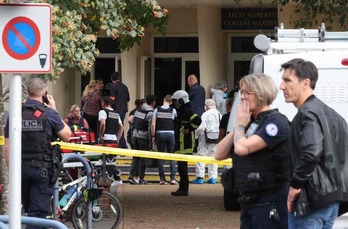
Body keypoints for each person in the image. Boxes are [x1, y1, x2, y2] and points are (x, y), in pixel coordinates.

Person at [214, 73, 290, 228]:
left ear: (261, 93)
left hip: (269, 201)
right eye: (241, 92)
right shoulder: (248, 123)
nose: (242, 97)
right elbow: (219, 154)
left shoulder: (276, 123)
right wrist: (238, 127)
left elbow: (242, 149)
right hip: (248, 200)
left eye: (247, 93)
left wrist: (241, 126)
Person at [279, 58, 348, 228]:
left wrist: (295, 185)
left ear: (306, 83)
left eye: (287, 80)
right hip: (331, 201)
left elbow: (311, 152)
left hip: (310, 202)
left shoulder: (307, 113)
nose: (281, 86)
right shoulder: (333, 115)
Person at [4, 77, 71, 227]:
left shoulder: (15, 113)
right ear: (45, 93)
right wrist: (54, 109)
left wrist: (14, 172)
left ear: (28, 92)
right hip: (42, 171)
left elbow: (7, 147)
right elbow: (67, 136)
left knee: (28, 212)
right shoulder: (49, 113)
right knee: (37, 216)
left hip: (20, 170)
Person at [171, 90, 201, 196]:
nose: (175, 104)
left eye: (176, 101)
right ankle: (183, 188)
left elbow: (198, 121)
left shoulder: (187, 111)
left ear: (181, 100)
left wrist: (189, 128)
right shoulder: (182, 111)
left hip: (185, 143)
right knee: (181, 167)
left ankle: (184, 189)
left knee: (182, 167)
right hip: (181, 142)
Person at [192, 99, 221, 184]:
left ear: (207, 105)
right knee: (214, 157)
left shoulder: (206, 114)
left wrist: (196, 136)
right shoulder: (219, 114)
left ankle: (200, 177)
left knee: (201, 156)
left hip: (205, 138)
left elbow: (201, 127)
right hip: (216, 138)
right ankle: (213, 177)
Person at [129, 94, 156, 185]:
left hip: (135, 135)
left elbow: (132, 122)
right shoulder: (150, 113)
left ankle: (132, 176)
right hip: (143, 137)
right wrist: (151, 138)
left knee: (136, 157)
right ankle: (140, 178)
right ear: (153, 102)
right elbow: (150, 127)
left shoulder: (138, 110)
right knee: (143, 158)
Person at [151, 95, 178, 185]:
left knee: (161, 156)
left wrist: (153, 135)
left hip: (160, 133)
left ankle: (162, 179)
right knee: (171, 156)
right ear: (171, 102)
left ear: (163, 100)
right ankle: (172, 178)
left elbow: (153, 124)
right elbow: (175, 122)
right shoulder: (173, 110)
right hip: (170, 133)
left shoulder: (156, 110)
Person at [98, 95, 124, 186]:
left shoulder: (102, 112)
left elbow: (103, 124)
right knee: (111, 160)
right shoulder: (116, 113)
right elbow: (121, 127)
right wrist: (118, 139)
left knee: (106, 161)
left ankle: (117, 177)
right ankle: (115, 178)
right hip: (113, 139)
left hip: (106, 139)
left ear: (103, 103)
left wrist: (101, 135)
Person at [109, 71, 130, 149]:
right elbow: (128, 99)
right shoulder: (125, 87)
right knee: (121, 127)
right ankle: (122, 145)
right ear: (119, 78)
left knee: (116, 128)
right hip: (123, 110)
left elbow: (112, 99)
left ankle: (122, 146)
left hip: (116, 110)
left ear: (112, 79)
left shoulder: (113, 87)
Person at [127, 98, 146, 183]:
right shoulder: (139, 111)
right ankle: (135, 176)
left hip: (132, 135)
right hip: (136, 135)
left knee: (137, 157)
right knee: (138, 157)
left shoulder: (134, 111)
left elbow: (130, 120)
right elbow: (130, 120)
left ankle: (135, 176)